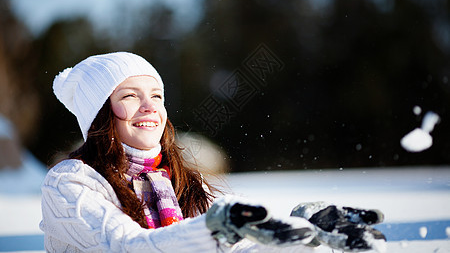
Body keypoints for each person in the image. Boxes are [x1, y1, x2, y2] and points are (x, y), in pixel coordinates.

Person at [40, 52, 386, 252]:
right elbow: (131, 246)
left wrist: (307, 232)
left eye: (157, 95)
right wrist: (217, 228)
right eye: (130, 96)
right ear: (99, 113)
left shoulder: (180, 183)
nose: (150, 108)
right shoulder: (69, 184)